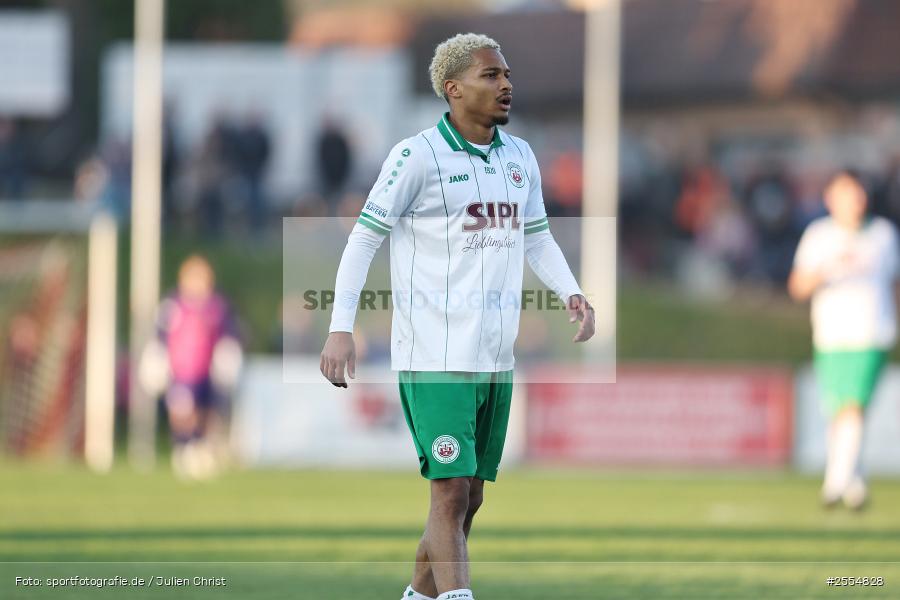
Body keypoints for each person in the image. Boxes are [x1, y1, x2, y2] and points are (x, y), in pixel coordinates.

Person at [319, 33, 595, 600]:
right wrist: (340, 326)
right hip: (435, 355)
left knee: (469, 499)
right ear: (453, 89)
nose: (506, 85)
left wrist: (571, 292)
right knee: (447, 495)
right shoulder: (416, 156)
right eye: (491, 76)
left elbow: (537, 237)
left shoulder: (520, 157)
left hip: (494, 356)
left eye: (507, 74)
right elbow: (363, 240)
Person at [788, 170, 899, 510]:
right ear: (831, 199)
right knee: (839, 410)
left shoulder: (882, 234)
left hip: (871, 332)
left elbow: (894, 284)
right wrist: (828, 269)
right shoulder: (819, 236)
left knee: (854, 404)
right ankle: (855, 482)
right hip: (831, 334)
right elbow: (798, 287)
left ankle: (835, 482)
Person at [139, 255, 242, 480]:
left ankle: (202, 446)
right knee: (183, 410)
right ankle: (184, 446)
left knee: (207, 411)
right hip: (181, 371)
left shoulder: (217, 306)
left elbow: (229, 333)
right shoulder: (172, 306)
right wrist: (156, 356)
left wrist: (228, 352)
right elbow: (161, 335)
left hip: (207, 371)